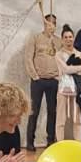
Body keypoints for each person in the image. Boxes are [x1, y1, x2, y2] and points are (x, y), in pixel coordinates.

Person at [22, 14, 60, 151]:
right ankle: (30, 141)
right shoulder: (35, 38)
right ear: (44, 24)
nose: (52, 26)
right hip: (38, 80)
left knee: (52, 111)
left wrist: (59, 76)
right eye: (49, 23)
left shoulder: (58, 41)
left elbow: (63, 59)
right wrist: (35, 76)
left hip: (54, 80)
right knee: (34, 111)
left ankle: (50, 140)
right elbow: (28, 58)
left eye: (54, 23)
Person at [56, 27, 81, 142]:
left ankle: (78, 142)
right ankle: (60, 143)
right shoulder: (59, 55)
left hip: (77, 89)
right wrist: (80, 67)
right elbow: (65, 70)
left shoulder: (80, 54)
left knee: (77, 118)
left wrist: (72, 68)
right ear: (62, 39)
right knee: (61, 119)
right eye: (65, 37)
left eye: (70, 37)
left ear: (74, 38)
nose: (68, 39)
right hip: (62, 90)